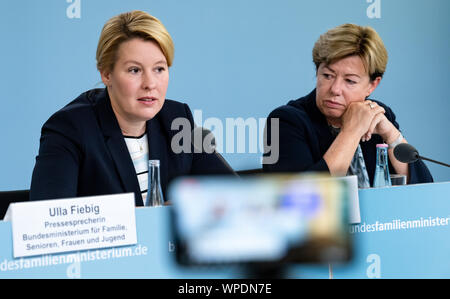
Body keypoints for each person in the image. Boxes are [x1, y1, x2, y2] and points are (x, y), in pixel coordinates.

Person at [30, 10, 233, 205]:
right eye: (134, 70)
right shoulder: (69, 128)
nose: (150, 83)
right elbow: (49, 219)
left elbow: (233, 194)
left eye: (159, 69)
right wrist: (156, 217)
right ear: (106, 74)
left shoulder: (177, 119)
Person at [263, 24, 433, 187]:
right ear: (317, 71)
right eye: (328, 75)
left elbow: (425, 192)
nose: (335, 89)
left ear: (372, 85)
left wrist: (391, 135)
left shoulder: (378, 115)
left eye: (350, 81)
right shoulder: (284, 121)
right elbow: (300, 201)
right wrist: (351, 132)